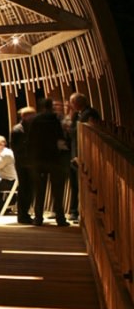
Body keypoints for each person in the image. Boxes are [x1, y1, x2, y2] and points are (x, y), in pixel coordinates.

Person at [26, 98, 69, 226]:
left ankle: (38, 218)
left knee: (39, 190)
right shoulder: (56, 120)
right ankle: (60, 218)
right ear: (51, 107)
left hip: (38, 160)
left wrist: (30, 159)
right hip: (55, 159)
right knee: (57, 190)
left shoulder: (35, 120)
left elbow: (30, 141)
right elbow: (61, 139)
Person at [67, 92, 101, 221]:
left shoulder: (90, 114)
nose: (71, 105)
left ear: (78, 103)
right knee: (74, 185)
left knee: (83, 185)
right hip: (74, 154)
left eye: (73, 102)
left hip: (84, 155)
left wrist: (79, 155)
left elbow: (88, 137)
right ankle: (74, 211)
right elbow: (73, 135)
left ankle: (83, 212)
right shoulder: (77, 115)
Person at [10, 106, 36, 224]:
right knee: (24, 189)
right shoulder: (17, 130)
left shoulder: (29, 128)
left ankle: (25, 214)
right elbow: (16, 148)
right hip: (23, 164)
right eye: (32, 115)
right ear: (24, 116)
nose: (34, 117)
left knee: (28, 189)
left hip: (29, 163)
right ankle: (22, 215)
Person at [0, 135, 17, 214]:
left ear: (0, 144)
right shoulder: (8, 151)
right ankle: (4, 206)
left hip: (10, 182)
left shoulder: (5, 154)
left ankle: (3, 207)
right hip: (9, 179)